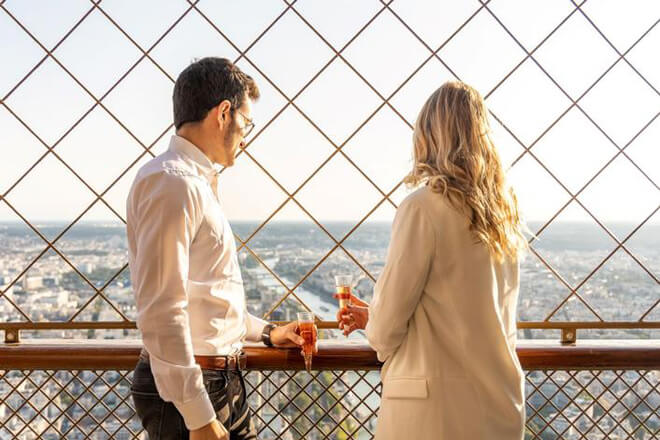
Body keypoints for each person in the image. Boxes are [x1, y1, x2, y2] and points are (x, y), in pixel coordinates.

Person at [127, 57, 308, 440]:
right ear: (223, 113)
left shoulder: (187, 182)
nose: (246, 134)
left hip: (213, 381)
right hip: (197, 389)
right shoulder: (174, 183)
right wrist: (197, 415)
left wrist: (267, 333)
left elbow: (206, 300)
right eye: (246, 120)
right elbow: (162, 309)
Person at [337, 81, 528, 439]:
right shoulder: (504, 214)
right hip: (499, 406)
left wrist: (375, 321)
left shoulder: (422, 208)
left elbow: (384, 331)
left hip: (435, 414)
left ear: (428, 137)